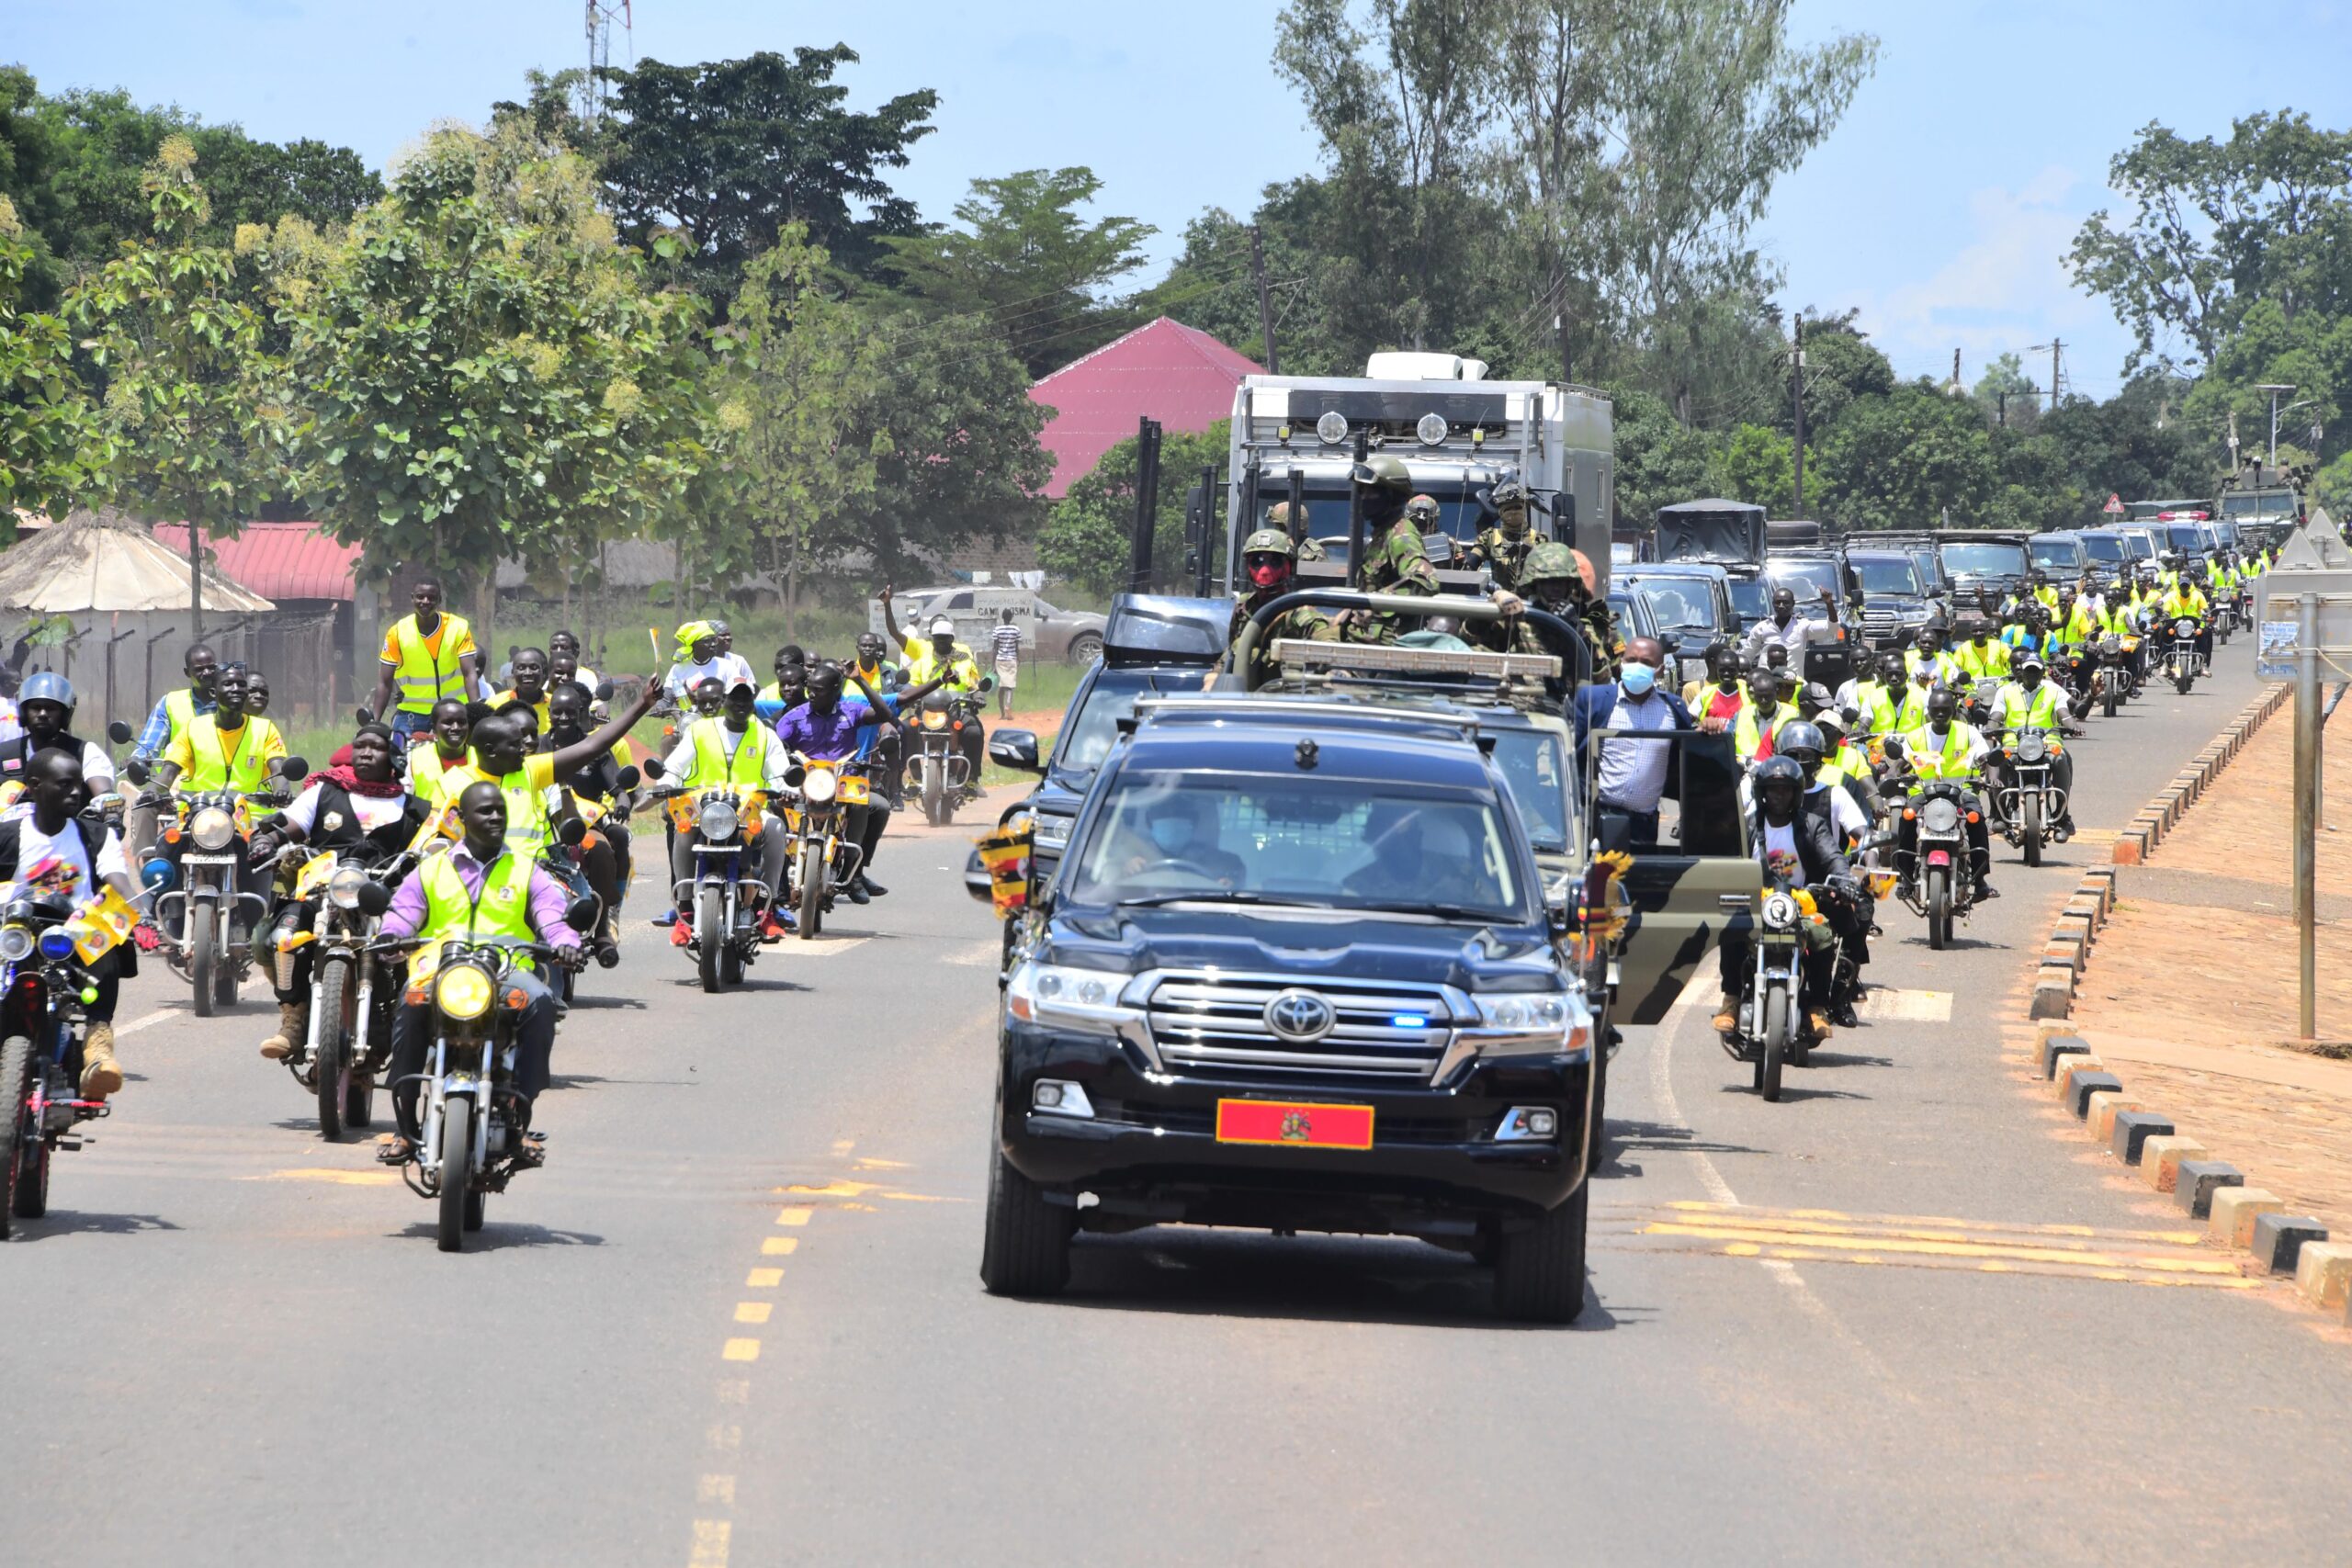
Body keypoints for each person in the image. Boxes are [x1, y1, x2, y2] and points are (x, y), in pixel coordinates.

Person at [375, 782, 584, 1167]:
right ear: (460, 819)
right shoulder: (431, 868)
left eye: (500, 811)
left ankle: (520, 1116)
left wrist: (565, 941)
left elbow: (552, 915)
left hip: (507, 971)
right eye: (485, 811)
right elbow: (403, 912)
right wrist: (391, 935)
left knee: (539, 1001)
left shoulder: (527, 870)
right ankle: (405, 1126)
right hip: (441, 969)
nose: (495, 818)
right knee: (409, 1001)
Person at [248, 724, 433, 1060]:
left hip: (385, 895)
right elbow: (291, 825)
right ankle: (293, 1018)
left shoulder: (412, 806)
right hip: (322, 891)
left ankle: (404, 1020)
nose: (365, 752)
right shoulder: (324, 791)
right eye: (359, 745)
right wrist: (268, 840)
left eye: (375, 747)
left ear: (391, 757)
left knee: (420, 945)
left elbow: (429, 846)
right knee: (281, 938)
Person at [0, 748, 141, 1099]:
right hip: (17, 932)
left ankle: (97, 1046)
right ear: (34, 786)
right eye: (65, 786)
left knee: (109, 936)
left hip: (73, 934)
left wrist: (139, 912)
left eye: (78, 785)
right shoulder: (8, 834)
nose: (77, 793)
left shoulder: (96, 834)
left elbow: (116, 879)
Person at [775, 663, 951, 906]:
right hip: (806, 781)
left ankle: (854, 871)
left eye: (819, 690)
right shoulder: (793, 718)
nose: (812, 694)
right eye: (810, 689)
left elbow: (884, 715)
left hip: (843, 781)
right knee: (774, 806)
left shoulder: (852, 711)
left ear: (836, 689)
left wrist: (860, 681)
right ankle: (779, 881)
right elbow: (774, 747)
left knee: (878, 807)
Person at [1712, 754, 1851, 1040]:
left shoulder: (1813, 825)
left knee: (1822, 932)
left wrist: (1844, 879)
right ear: (1761, 792)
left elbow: (1833, 855)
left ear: (1796, 793)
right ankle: (1731, 1001)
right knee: (1732, 929)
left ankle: (1817, 1007)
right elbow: (1727, 856)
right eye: (1772, 789)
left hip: (1800, 902)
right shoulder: (1748, 825)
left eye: (1785, 789)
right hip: (1756, 901)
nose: (1778, 795)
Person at [662, 675, 796, 940]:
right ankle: (686, 910)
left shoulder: (766, 735)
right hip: (705, 808)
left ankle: (765, 908)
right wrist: (665, 783)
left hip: (750, 810)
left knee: (777, 827)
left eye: (746, 698)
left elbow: (781, 773)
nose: (741, 703)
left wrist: (788, 789)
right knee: (683, 829)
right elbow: (674, 765)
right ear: (724, 701)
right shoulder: (700, 731)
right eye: (735, 698)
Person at [1570, 637, 1692, 849]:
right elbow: (1571, 754)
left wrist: (1709, 727)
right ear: (1622, 663)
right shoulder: (1594, 700)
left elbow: (1683, 763)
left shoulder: (1674, 709)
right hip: (1599, 820)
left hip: (1650, 825)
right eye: (1631, 659)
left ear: (1660, 670)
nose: (1637, 666)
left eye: (1646, 663)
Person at [1893, 685, 1996, 899]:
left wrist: (1991, 772)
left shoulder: (1968, 732)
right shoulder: (1915, 736)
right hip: (1924, 791)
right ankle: (1905, 878)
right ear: (1928, 711)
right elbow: (1901, 761)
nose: (1940, 714)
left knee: (1976, 820)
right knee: (1907, 818)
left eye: (1946, 709)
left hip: (1962, 790)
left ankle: (1980, 880)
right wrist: (1894, 774)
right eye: (1935, 709)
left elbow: (1985, 756)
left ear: (1955, 710)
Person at [1340, 454, 1438, 643]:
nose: (1363, 498)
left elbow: (1426, 581)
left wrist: (1374, 603)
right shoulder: (1382, 534)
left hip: (1382, 647)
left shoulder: (1401, 535)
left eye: (1370, 492)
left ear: (1391, 496)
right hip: (1362, 637)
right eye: (1361, 491)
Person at [371, 578, 483, 742]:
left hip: (454, 712)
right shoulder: (397, 633)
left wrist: (476, 712)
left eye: (431, 597)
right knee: (399, 760)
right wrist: (374, 723)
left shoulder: (458, 627)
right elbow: (384, 682)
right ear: (412, 598)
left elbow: (469, 673)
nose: (426, 601)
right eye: (420, 597)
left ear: (439, 600)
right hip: (412, 715)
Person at [1984, 652, 2084, 837]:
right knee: (1995, 759)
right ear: (2021, 672)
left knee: (2062, 758)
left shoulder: (2052, 691)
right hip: (2013, 745)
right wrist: (1990, 727)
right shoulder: (2005, 691)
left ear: (2042, 673)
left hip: (2047, 745)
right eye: (2028, 670)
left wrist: (2073, 726)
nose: (2031, 675)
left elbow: (2064, 714)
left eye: (2035, 671)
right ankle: (2000, 814)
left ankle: (2062, 816)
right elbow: (1996, 716)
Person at [1226, 528, 1338, 685]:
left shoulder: (1298, 613)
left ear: (1289, 567)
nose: (1265, 571)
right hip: (1246, 703)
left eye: (1275, 562)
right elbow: (1230, 654)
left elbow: (1327, 640)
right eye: (1257, 562)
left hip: (1283, 703)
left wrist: (1331, 658)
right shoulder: (1243, 609)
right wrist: (1213, 678)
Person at [0, 671, 117, 803]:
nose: (42, 714)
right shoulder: (3, 754)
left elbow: (104, 793)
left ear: (65, 715)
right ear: (23, 713)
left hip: (72, 823)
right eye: (36, 708)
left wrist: (109, 805)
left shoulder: (85, 752)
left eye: (50, 708)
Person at [1464, 478, 1540, 590]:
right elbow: (1471, 566)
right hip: (1499, 599)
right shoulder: (1489, 537)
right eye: (1508, 509)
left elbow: (1551, 573)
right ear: (1500, 512)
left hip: (1531, 603)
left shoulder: (1539, 540)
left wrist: (1532, 553)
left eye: (1518, 507)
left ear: (1524, 509)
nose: (1513, 512)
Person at [661, 622, 757, 706]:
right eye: (707, 641)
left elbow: (737, 694)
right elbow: (667, 694)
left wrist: (694, 698)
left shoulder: (727, 666)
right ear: (694, 645)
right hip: (687, 720)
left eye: (713, 640)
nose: (713, 644)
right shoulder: (678, 669)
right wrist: (661, 706)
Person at [1741, 585, 1820, 671]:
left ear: (1793, 604)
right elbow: (1746, 654)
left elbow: (1830, 627)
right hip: (1767, 680)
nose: (1781, 606)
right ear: (1773, 604)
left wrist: (1829, 604)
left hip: (1793, 681)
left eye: (1785, 602)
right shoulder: (1762, 627)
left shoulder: (1802, 626)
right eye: (1778, 602)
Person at [1735, 667, 1798, 762]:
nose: (1763, 701)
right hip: (1746, 769)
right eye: (1759, 696)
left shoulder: (1793, 714)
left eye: (1767, 696)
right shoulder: (1742, 713)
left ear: (1776, 693)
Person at [492, 647, 552, 733]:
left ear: (543, 672)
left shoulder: (554, 704)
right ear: (512, 672)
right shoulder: (495, 704)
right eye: (521, 668)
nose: (528, 673)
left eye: (534, 667)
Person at [989, 609, 1022, 719]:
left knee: (1002, 686)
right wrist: (1018, 659)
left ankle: (1002, 713)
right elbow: (1017, 647)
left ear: (1002, 617)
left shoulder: (997, 630)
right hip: (1011, 659)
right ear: (1011, 617)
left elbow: (995, 648)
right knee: (1010, 686)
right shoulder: (1016, 629)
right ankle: (1008, 705)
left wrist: (993, 664)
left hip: (1000, 660)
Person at [548, 629, 599, 695]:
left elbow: (596, 702)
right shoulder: (540, 675)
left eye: (564, 647)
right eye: (554, 647)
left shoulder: (587, 677)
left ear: (575, 652)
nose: (558, 651)